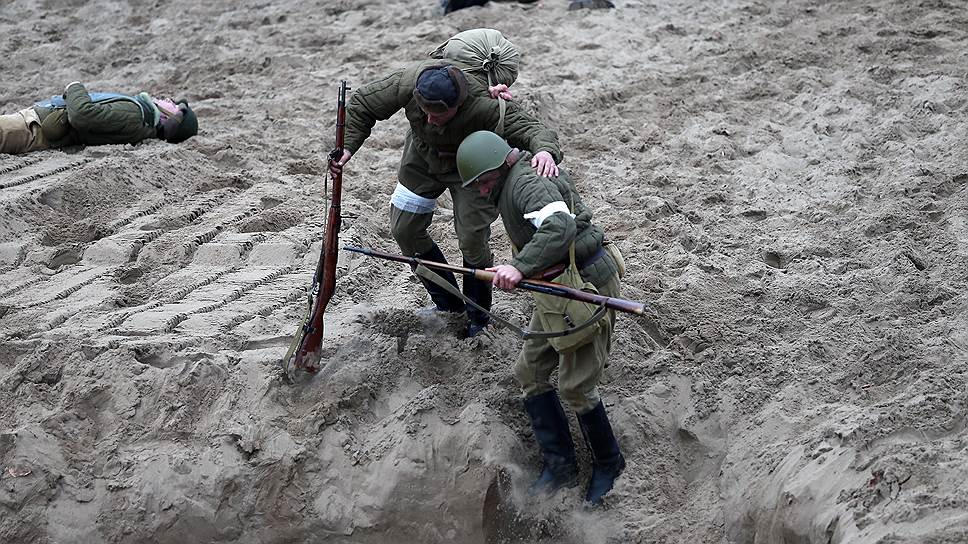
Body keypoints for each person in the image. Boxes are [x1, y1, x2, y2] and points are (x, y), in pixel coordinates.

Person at [455, 130, 625, 505]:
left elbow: (560, 227)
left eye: (483, 183)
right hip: (557, 290)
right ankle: (560, 465)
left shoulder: (527, 184)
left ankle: (609, 463)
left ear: (499, 168)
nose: (482, 192)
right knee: (530, 373)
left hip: (584, 287)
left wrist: (518, 266)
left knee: (575, 386)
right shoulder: (513, 180)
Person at [333, 60, 562, 338]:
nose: (430, 119)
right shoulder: (410, 81)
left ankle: (478, 316)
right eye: (424, 111)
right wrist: (347, 146)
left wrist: (546, 152)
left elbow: (534, 130)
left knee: (472, 239)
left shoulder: (485, 105)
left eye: (438, 114)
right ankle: (448, 304)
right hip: (422, 158)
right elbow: (363, 103)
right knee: (404, 229)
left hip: (473, 170)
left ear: (458, 104)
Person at [0, 81, 198, 155]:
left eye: (173, 105)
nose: (168, 99)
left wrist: (74, 87)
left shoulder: (134, 114)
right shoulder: (140, 120)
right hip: (34, 127)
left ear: (169, 118)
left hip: (31, 127)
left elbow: (83, 116)